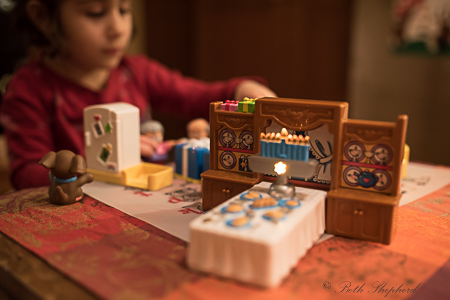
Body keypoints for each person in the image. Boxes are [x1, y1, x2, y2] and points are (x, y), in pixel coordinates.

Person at [0, 0, 276, 190]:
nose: (118, 28)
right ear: (43, 17)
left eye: (124, 9)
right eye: (95, 12)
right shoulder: (29, 89)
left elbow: (200, 96)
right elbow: (27, 174)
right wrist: (102, 159)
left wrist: (241, 90)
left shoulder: (138, 72)